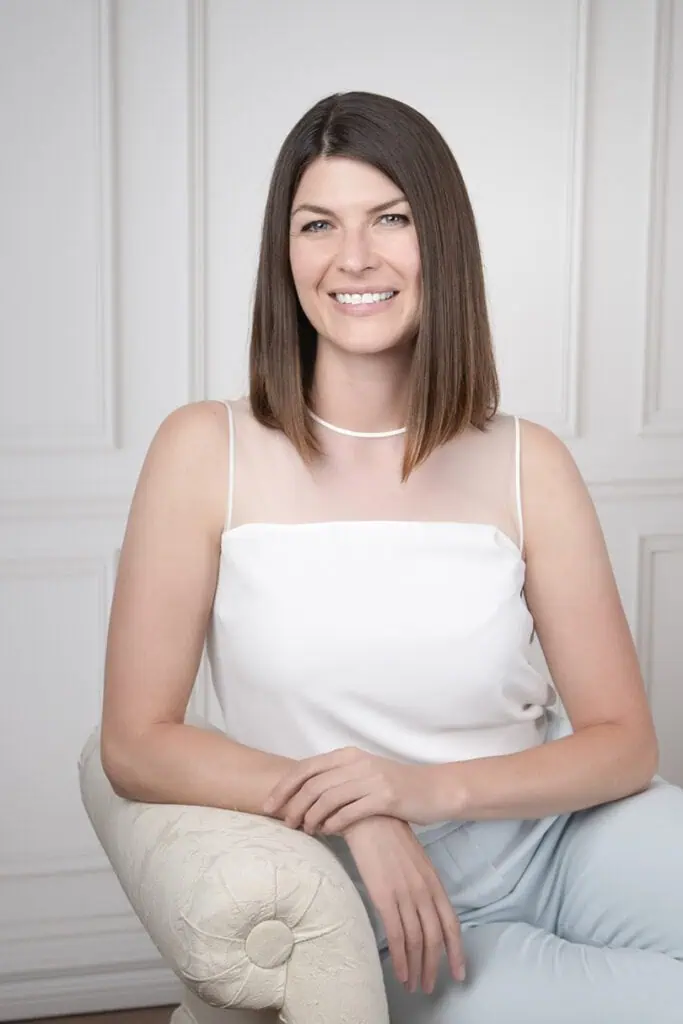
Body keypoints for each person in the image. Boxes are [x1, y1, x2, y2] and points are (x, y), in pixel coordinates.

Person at [100, 91, 683, 1022]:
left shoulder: (528, 460)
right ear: (285, 253)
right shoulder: (205, 450)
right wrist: (363, 809)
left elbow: (623, 742)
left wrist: (417, 788)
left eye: (391, 219)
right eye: (317, 224)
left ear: (439, 241)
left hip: (564, 843)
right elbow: (136, 742)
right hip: (380, 905)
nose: (353, 257)